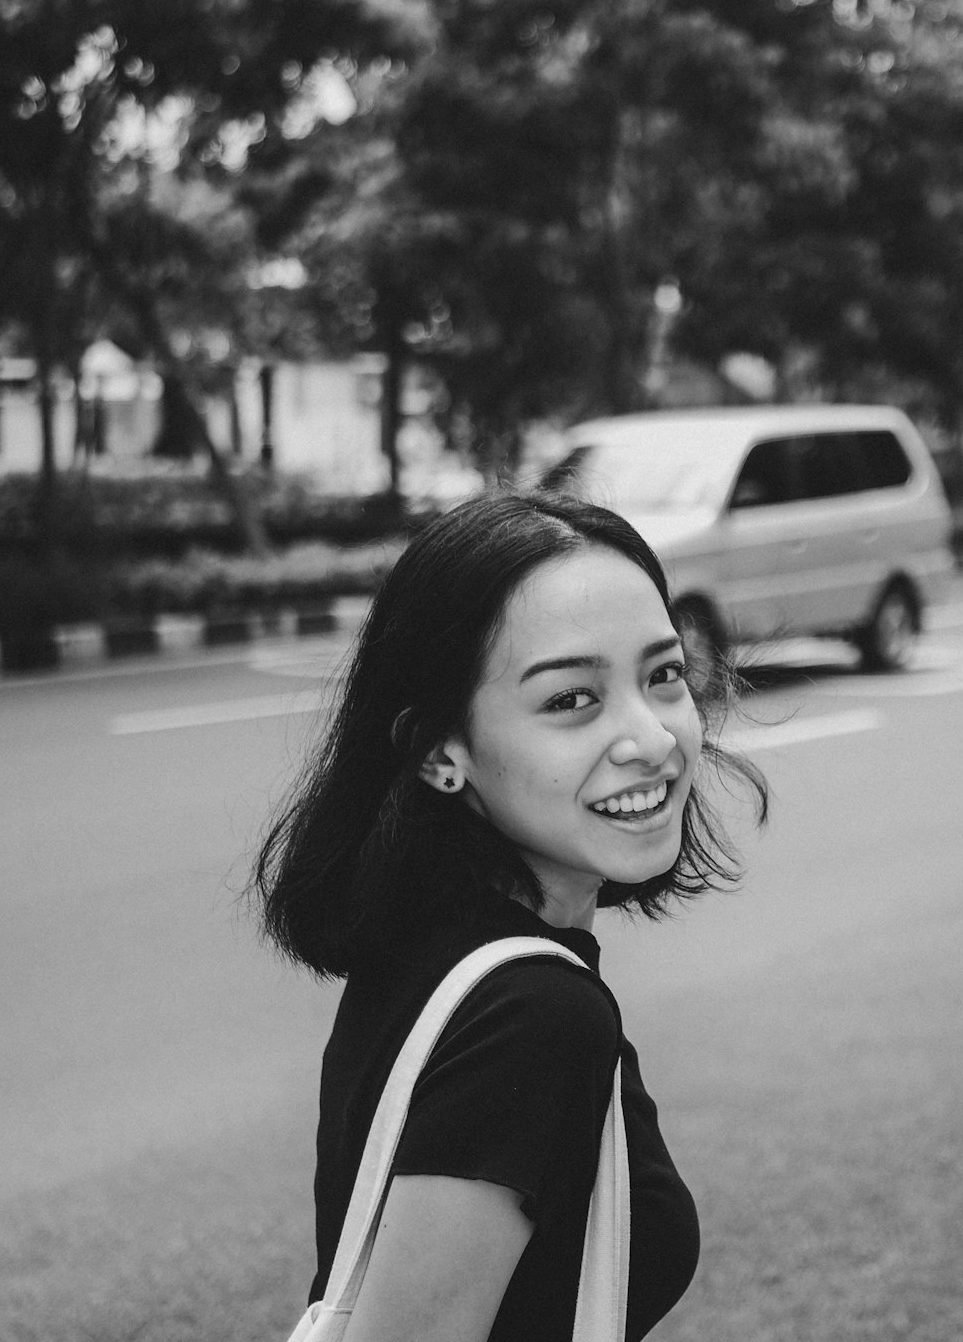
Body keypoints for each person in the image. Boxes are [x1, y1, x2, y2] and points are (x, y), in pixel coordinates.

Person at [254, 490, 764, 1342]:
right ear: (439, 752)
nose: (653, 738)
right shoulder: (531, 1012)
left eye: (663, 674)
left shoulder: (432, 954)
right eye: (571, 700)